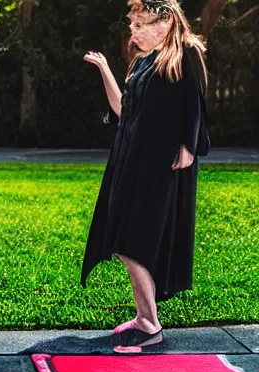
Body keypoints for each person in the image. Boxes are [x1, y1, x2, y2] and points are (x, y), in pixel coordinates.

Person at [81, 0, 210, 352]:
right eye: (133, 25)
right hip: (129, 159)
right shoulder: (144, 62)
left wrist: (189, 144)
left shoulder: (185, 54)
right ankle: (144, 317)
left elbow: (194, 103)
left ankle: (150, 325)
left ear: (165, 22)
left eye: (140, 24)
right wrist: (106, 69)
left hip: (160, 165)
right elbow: (122, 109)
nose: (133, 32)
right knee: (122, 239)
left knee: (134, 241)